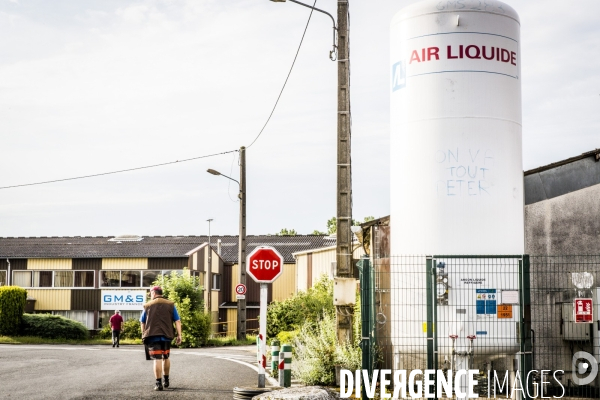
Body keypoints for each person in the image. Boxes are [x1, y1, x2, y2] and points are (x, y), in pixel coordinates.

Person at [140, 286, 182, 391]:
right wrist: (179, 335)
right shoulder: (170, 305)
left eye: (150, 293)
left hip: (152, 336)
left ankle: (158, 384)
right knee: (166, 357)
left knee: (157, 359)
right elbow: (177, 321)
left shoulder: (147, 305)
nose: (150, 296)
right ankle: (166, 380)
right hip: (167, 335)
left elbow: (142, 322)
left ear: (154, 293)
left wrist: (143, 333)